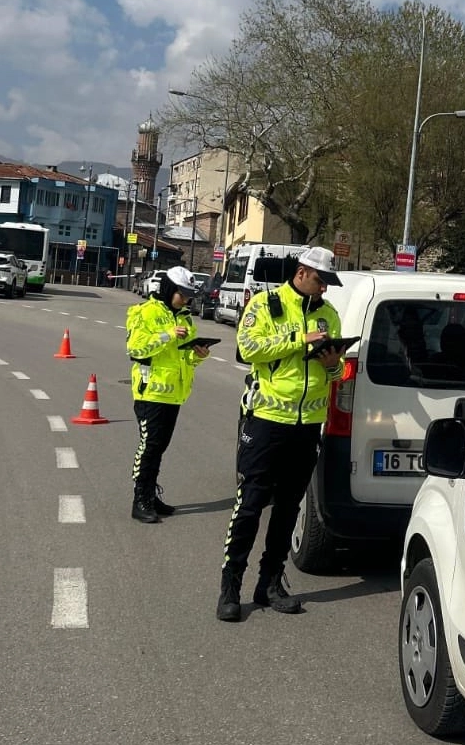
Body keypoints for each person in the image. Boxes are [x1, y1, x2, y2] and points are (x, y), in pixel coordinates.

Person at [217, 246, 346, 620]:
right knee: (250, 505)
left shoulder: (329, 314)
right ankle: (230, 587)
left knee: (289, 507)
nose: (324, 289)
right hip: (267, 421)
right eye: (320, 281)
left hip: (307, 425)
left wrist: (333, 363)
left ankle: (270, 583)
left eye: (328, 283)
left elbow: (337, 373)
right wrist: (299, 339)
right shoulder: (265, 304)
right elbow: (247, 349)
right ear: (302, 273)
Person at [125, 265, 211, 523]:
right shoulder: (145, 312)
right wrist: (167, 335)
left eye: (189, 296)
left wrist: (199, 355)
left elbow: (185, 358)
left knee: (159, 447)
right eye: (181, 294)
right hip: (151, 392)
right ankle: (140, 499)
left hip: (175, 393)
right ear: (168, 289)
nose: (185, 300)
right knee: (149, 447)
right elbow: (135, 349)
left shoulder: (185, 318)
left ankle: (151, 496)